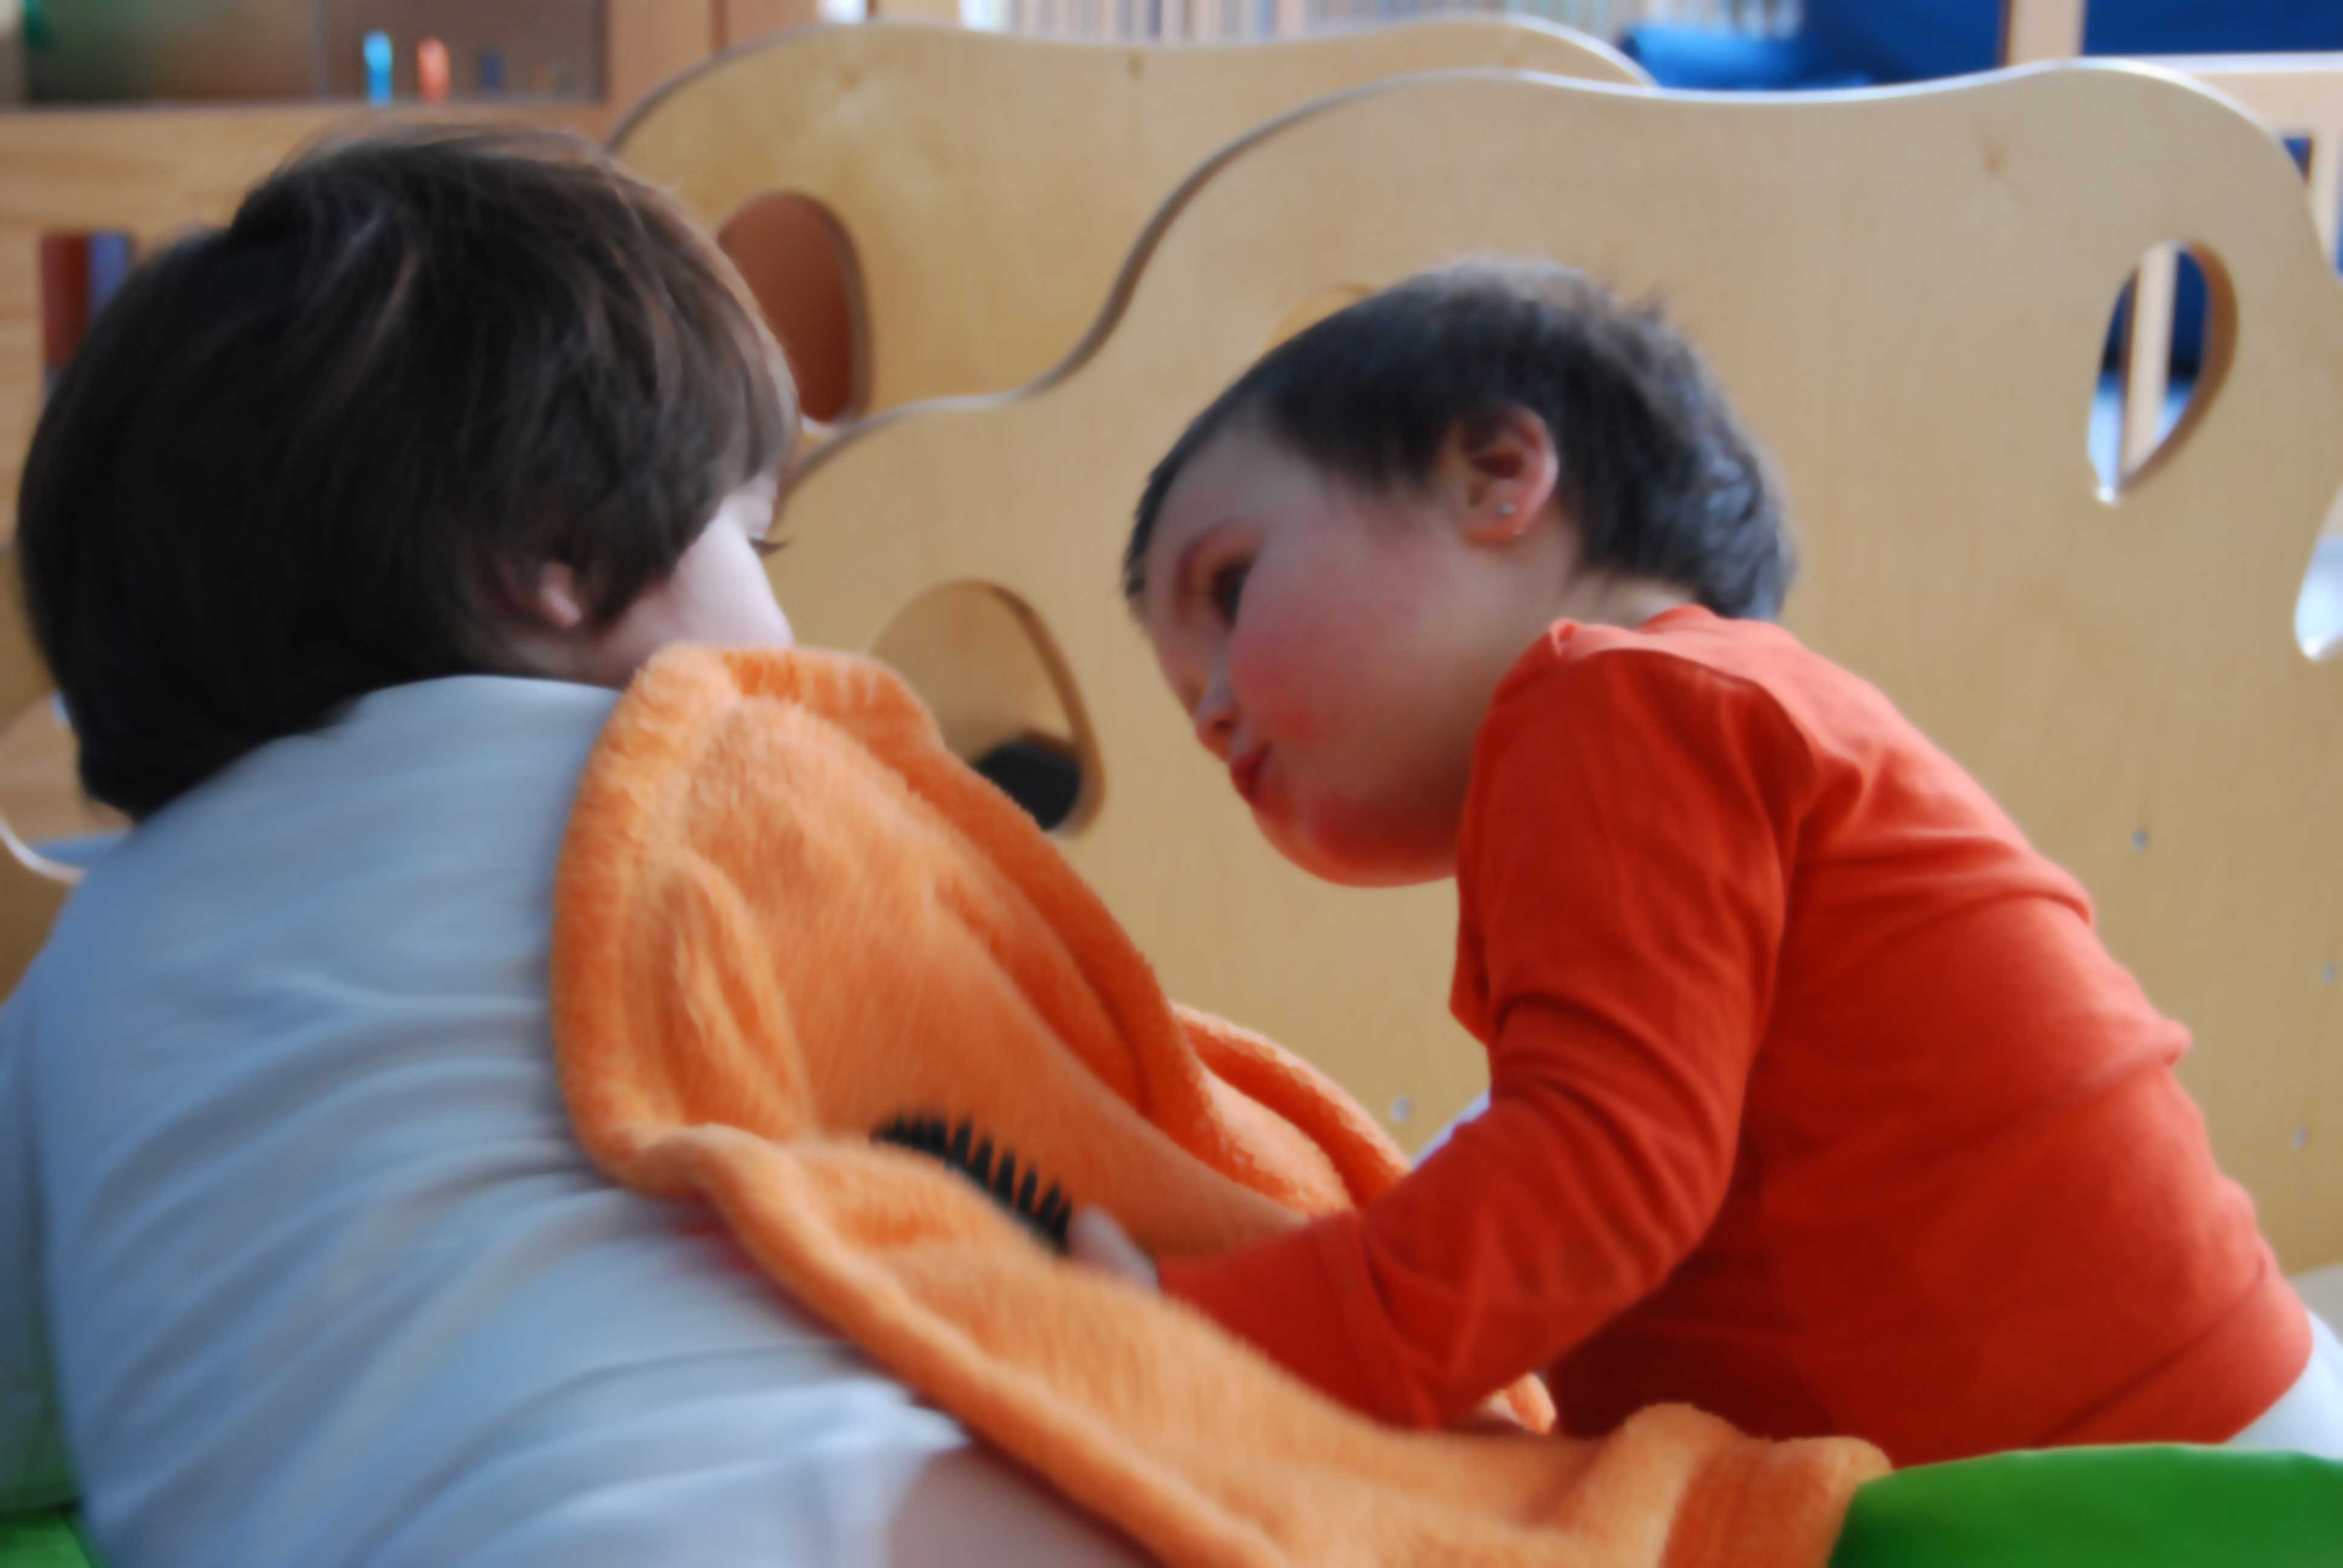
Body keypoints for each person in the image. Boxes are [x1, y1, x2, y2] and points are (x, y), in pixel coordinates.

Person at [0, 126, 1141, 1567]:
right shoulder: (705, 782)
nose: (783, 623)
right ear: (557, 550)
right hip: (778, 1508)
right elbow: (1012, 1120)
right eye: (752, 544)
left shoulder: (87, 965)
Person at [1089, 258, 2343, 1466]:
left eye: (1231, 588)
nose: (1211, 711)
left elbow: (1588, 1182)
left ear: (1495, 475)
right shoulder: (1697, 738)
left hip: (2161, 1488)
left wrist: (1201, 1334)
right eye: (1189, 698)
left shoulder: (1621, 702)